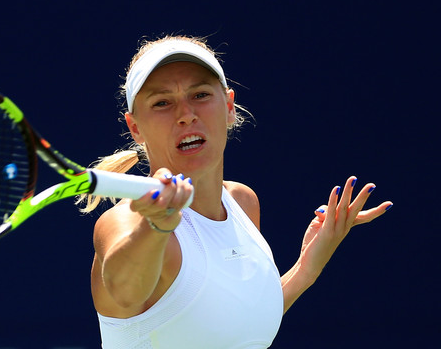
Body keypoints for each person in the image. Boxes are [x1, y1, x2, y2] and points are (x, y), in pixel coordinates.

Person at [78, 35, 393, 348]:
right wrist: (155, 227)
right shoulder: (124, 222)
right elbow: (125, 291)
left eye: (200, 94)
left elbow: (231, 326)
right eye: (162, 102)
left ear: (228, 106)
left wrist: (306, 269)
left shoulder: (243, 201)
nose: (186, 114)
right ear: (135, 128)